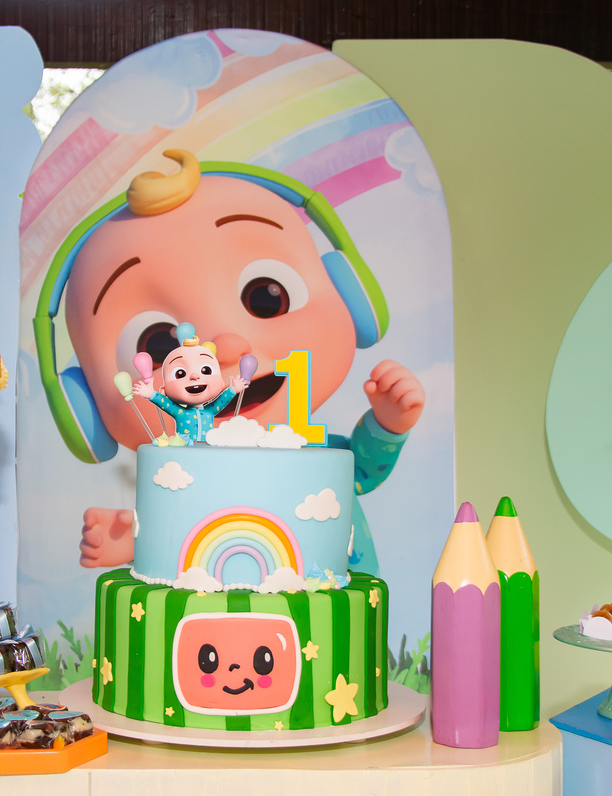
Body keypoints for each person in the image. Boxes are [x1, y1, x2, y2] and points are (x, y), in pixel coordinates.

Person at [59, 151, 425, 572]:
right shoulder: (180, 479)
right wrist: (133, 541)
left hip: (339, 611)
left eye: (266, 296)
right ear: (87, 404)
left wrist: (387, 424)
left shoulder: (316, 456)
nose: (227, 348)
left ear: (350, 295)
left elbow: (359, 472)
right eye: (159, 344)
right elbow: (180, 537)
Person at [131, 323, 248, 444]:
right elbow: (165, 403)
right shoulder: (179, 412)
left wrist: (233, 389)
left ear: (221, 382)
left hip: (208, 451)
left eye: (206, 370)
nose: (194, 376)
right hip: (185, 450)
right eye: (180, 373)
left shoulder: (210, 411)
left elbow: (222, 401)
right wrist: (151, 394)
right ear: (164, 390)